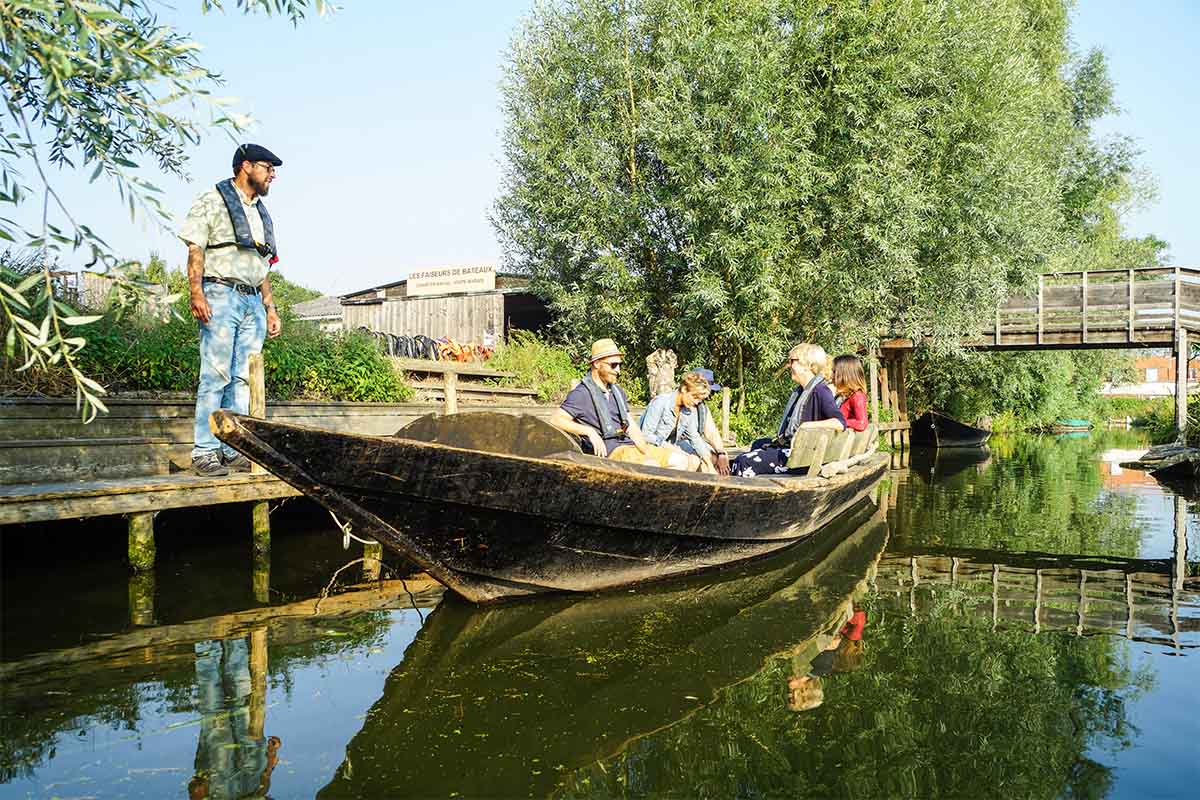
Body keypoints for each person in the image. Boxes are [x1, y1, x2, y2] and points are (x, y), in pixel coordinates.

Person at [181, 144, 284, 476]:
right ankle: (204, 451)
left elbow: (263, 265)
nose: (273, 175)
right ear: (246, 166)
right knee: (215, 374)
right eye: (268, 167)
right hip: (221, 292)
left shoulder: (259, 212)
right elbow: (195, 249)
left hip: (253, 299)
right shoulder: (211, 200)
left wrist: (270, 308)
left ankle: (231, 448)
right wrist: (197, 293)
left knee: (240, 379)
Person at [550, 338, 691, 469]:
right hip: (612, 452)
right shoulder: (582, 394)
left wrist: (646, 450)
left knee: (681, 461)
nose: (618, 370)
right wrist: (589, 431)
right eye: (613, 365)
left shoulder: (617, 392)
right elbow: (556, 419)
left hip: (628, 446)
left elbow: (631, 427)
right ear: (597, 364)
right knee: (651, 466)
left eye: (619, 365)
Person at [731, 343, 846, 477]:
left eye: (792, 361)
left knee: (742, 462)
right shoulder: (802, 391)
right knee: (759, 444)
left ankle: (742, 496)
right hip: (795, 451)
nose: (789, 365)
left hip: (801, 459)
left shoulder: (820, 391)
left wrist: (807, 426)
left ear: (808, 366)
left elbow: (840, 423)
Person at [640, 369, 730, 474]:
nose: (696, 402)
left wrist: (710, 465)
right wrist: (669, 447)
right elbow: (645, 435)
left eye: (699, 400)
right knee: (683, 460)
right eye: (694, 397)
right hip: (649, 447)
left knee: (696, 460)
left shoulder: (687, 411)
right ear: (684, 389)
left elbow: (695, 438)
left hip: (669, 446)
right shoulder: (661, 402)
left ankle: (686, 489)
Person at [832, 354, 869, 432]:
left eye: (834, 371)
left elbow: (862, 424)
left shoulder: (857, 396)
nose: (832, 375)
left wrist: (838, 423)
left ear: (844, 375)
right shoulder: (842, 396)